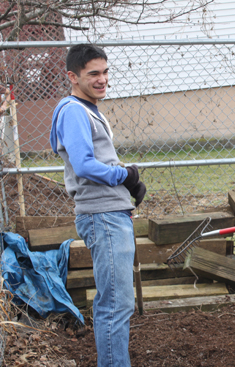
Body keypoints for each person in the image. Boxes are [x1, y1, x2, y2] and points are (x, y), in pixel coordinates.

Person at [50, 44, 146, 367]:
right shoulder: (74, 111)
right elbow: (85, 165)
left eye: (105, 72)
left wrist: (126, 188)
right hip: (102, 216)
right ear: (73, 77)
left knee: (118, 303)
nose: (102, 79)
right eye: (94, 73)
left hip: (111, 213)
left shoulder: (89, 109)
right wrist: (126, 175)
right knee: (116, 305)